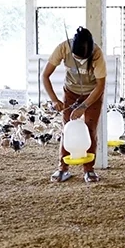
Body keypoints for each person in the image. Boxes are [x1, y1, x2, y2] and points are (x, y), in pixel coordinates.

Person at [43, 27, 106, 184]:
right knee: (67, 128)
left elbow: (100, 85)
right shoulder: (63, 48)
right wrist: (54, 100)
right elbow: (45, 75)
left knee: (90, 129)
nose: (81, 62)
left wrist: (83, 107)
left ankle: (89, 169)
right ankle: (63, 168)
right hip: (71, 91)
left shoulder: (97, 53)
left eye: (84, 58)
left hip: (92, 93)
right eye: (77, 58)